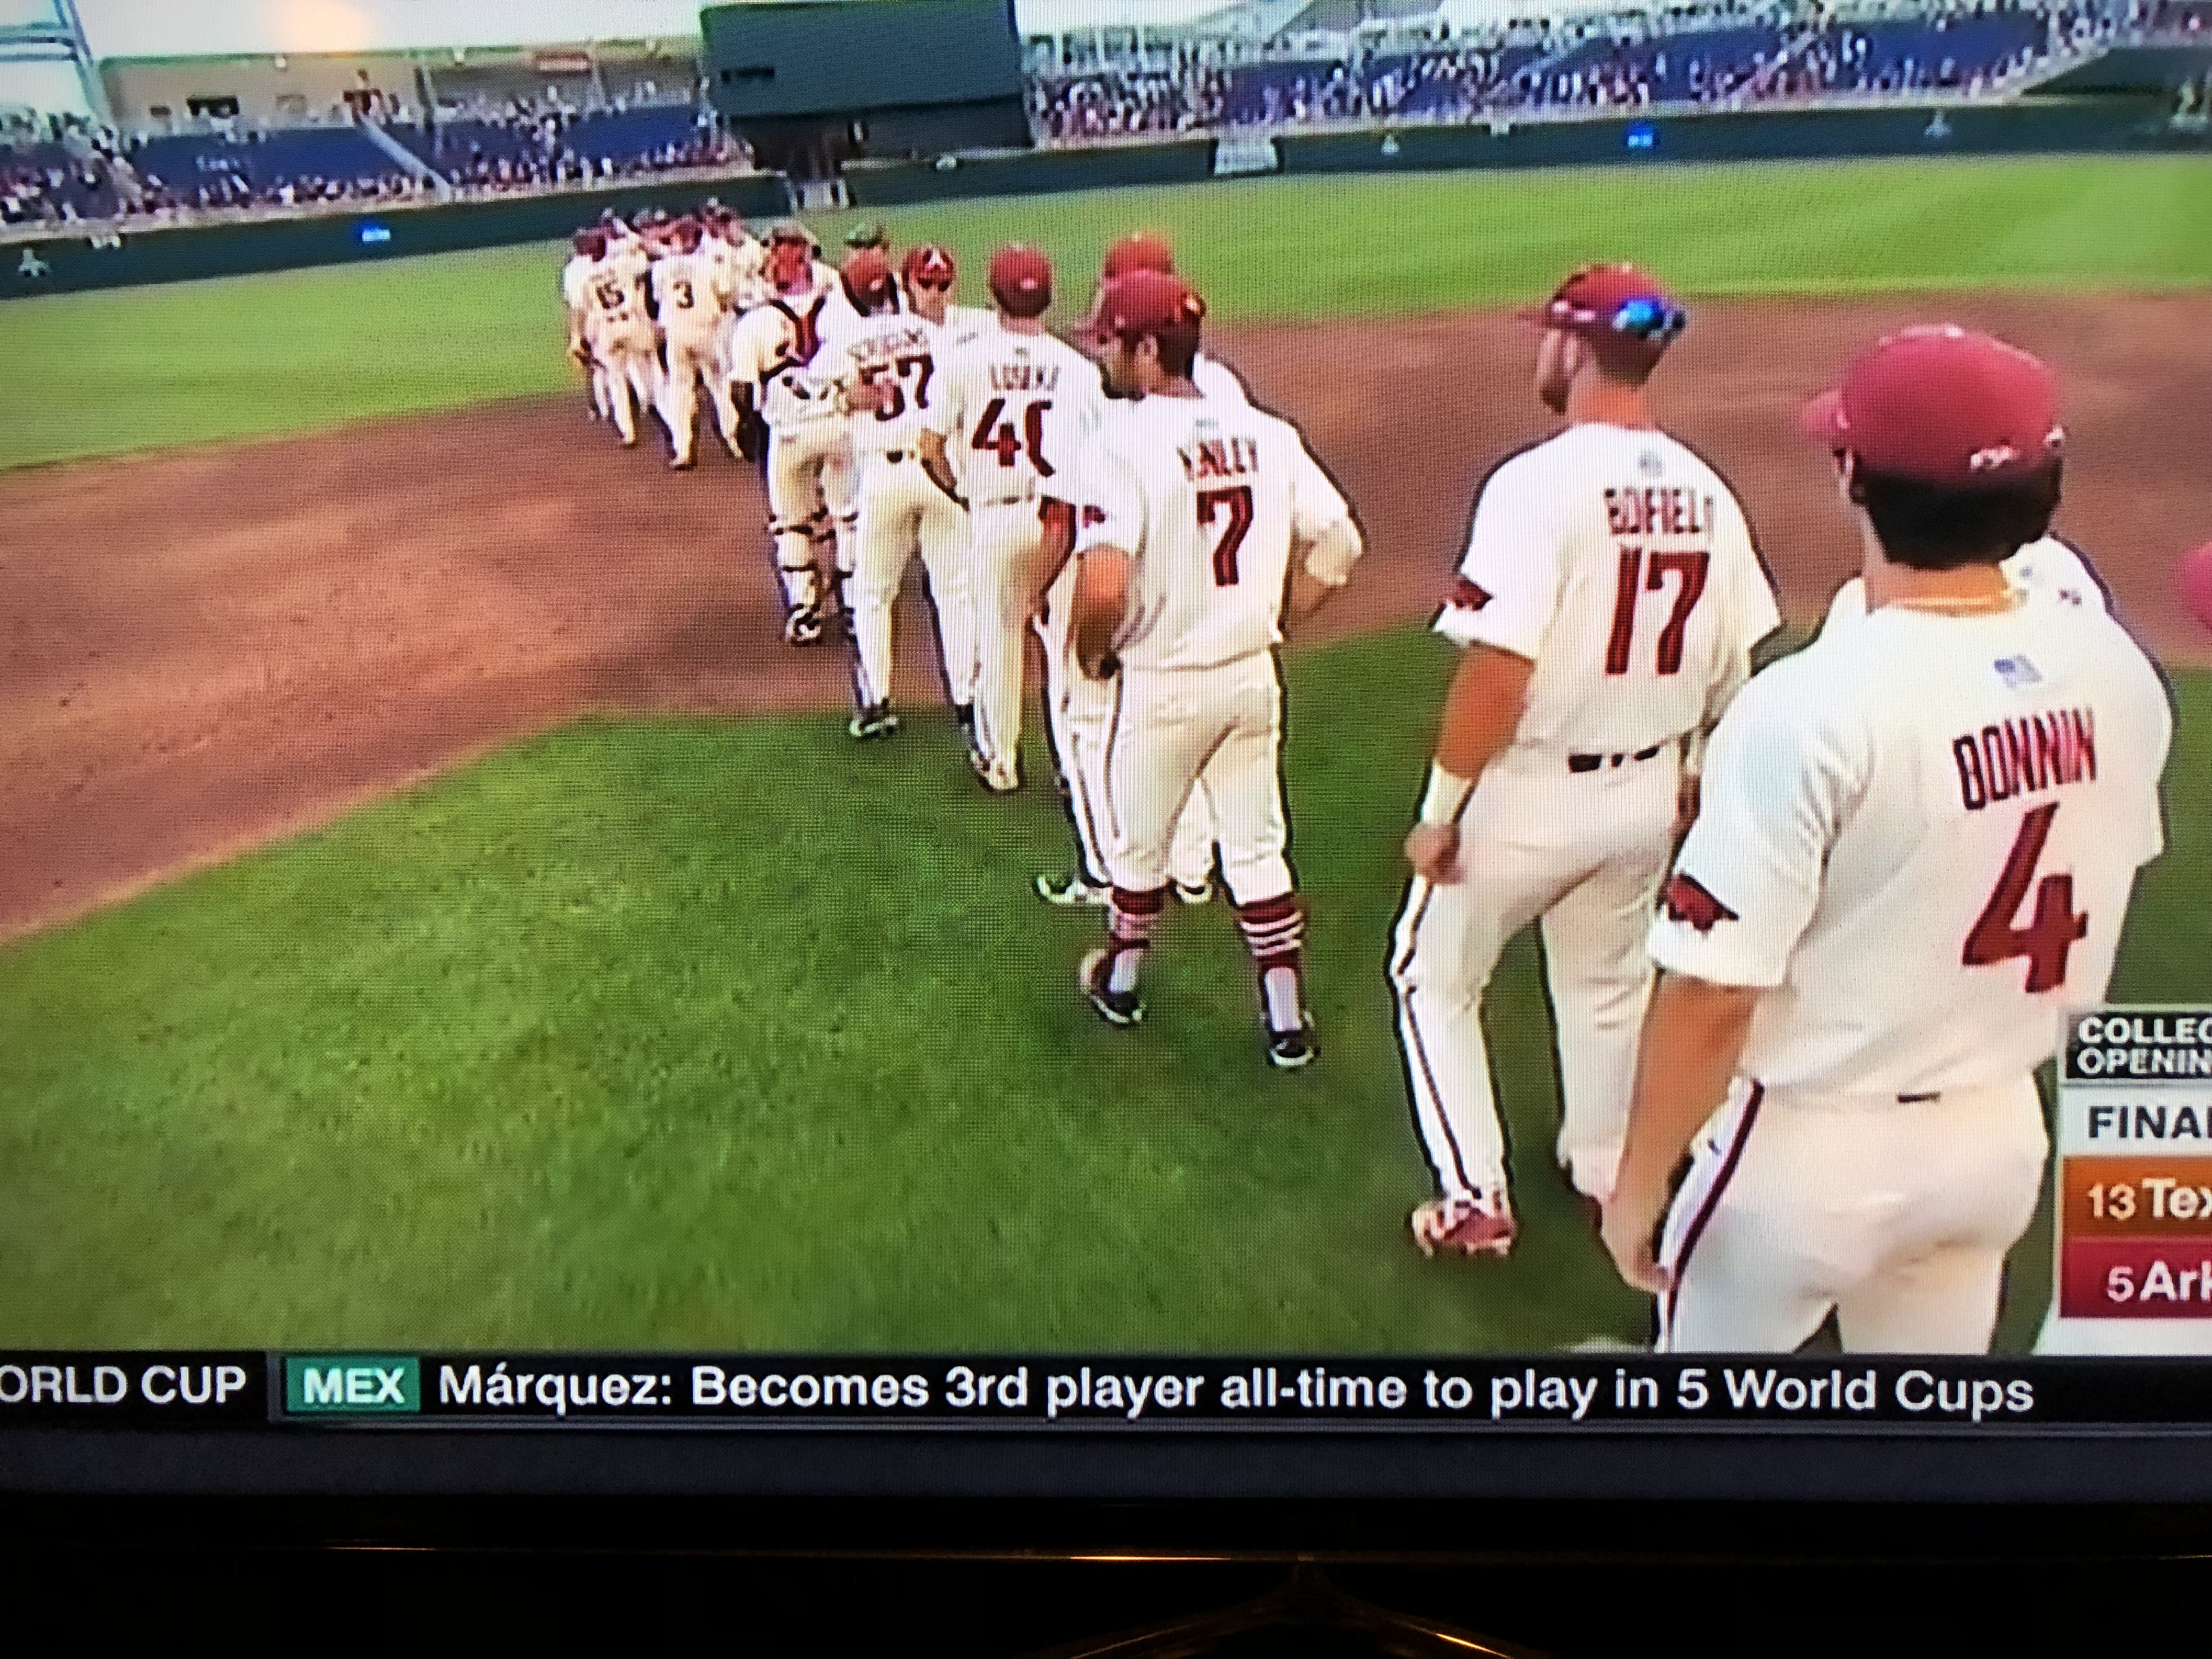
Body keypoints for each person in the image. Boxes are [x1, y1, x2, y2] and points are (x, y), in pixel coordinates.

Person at [1602, 325, 2172, 1354]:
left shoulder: (1808, 705)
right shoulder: (2116, 670)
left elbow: (1714, 992)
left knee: (1696, 1447)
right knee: (1928, 1453)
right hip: (1994, 1143)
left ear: (1851, 476)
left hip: (1806, 1155)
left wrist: (1636, 1184)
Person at [1392, 263, 1779, 1259]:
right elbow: (1737, 663)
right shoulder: (1706, 490)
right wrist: (1691, 767)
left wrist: (1441, 809)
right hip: (1646, 790)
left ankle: (1475, 1192)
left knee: (1430, 978)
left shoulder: (1535, 484)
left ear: (1571, 349)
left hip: (1526, 795)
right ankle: (1605, 1160)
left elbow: (1496, 670)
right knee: (1604, 983)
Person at [1065, 270, 1364, 1070]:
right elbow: (1340, 547)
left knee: (1140, 853)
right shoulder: (1267, 433)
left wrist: (1090, 653)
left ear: (1146, 348)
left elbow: (1102, 583)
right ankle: (1286, 1022)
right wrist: (1282, 619)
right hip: (1248, 675)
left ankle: (1120, 985)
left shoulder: (1118, 444)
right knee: (1258, 847)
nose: (1103, 352)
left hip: (1165, 680)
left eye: (1111, 340)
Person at [920, 244, 1104, 792]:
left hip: (995, 516)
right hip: (1059, 517)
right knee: (1063, 647)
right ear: (1047, 296)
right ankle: (1072, 769)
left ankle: (1000, 762)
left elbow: (929, 448)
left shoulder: (963, 359)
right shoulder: (1078, 369)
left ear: (993, 294)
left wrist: (961, 496)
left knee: (998, 641)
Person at [818, 248, 969, 741]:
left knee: (874, 593)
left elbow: (790, 396)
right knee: (954, 592)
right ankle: (967, 700)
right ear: (898, 290)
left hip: (884, 476)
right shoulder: (937, 335)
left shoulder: (846, 341)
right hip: (939, 468)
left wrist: (842, 397)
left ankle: (878, 701)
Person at [728, 222, 855, 645]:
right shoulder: (842, 311)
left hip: (790, 436)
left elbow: (743, 388)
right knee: (848, 519)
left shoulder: (756, 322)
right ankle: (854, 606)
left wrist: (745, 429)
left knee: (792, 525)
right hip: (840, 428)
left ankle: (805, 612)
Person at [648, 217, 734, 470]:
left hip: (677, 336)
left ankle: (683, 449)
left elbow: (657, 299)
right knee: (719, 387)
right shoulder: (709, 263)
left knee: (680, 390)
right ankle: (733, 442)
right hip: (707, 333)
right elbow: (726, 294)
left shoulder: (661, 268)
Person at [560, 227, 611, 423]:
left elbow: (574, 304)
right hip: (603, 318)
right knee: (609, 364)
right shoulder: (600, 263)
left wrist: (575, 334)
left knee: (593, 366)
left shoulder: (572, 269)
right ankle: (610, 406)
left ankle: (599, 408)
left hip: (588, 321)